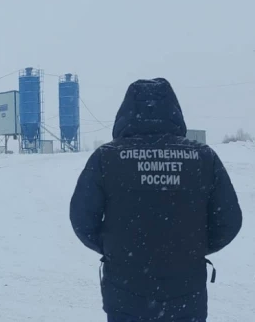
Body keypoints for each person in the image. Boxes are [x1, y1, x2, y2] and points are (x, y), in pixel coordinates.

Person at [69, 78, 242, 322]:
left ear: (125, 111)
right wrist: (191, 249)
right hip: (186, 294)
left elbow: (82, 219)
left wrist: (116, 250)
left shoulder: (106, 158)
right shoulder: (203, 157)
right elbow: (229, 221)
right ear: (174, 110)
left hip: (124, 291)